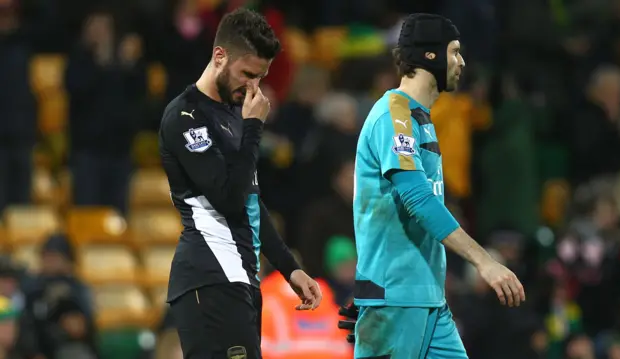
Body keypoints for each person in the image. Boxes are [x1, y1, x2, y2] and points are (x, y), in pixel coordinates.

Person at [339, 13, 526, 358]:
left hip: (427, 299)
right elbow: (417, 198)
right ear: (430, 55)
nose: (462, 62)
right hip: (397, 297)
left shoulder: (421, 118)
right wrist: (484, 261)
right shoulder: (394, 115)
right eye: (454, 52)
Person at [158, 8, 322, 359]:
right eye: (247, 74)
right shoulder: (186, 116)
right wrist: (253, 129)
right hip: (210, 277)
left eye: (260, 78)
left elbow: (250, 200)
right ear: (220, 56)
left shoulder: (234, 114)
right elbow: (229, 198)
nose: (253, 87)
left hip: (239, 277)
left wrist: (290, 268)